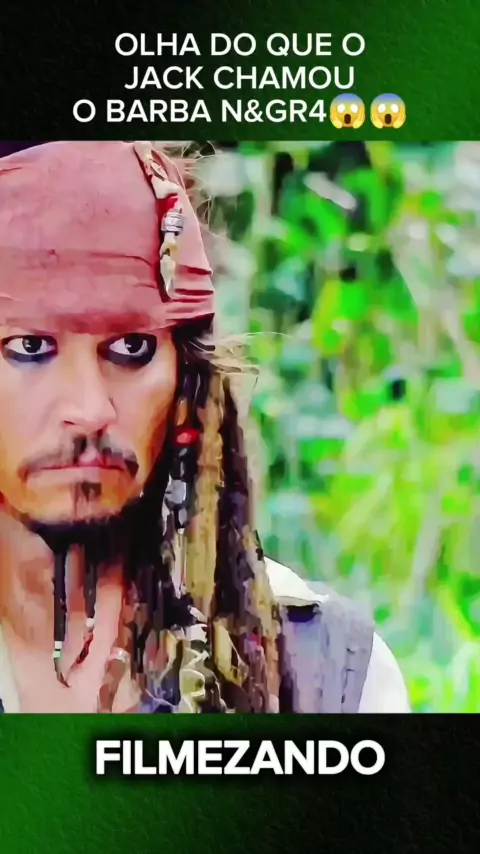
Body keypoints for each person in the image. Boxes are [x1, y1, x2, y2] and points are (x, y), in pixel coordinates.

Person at [0, 140, 410, 714]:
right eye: (29, 347)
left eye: (131, 348)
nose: (90, 408)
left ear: (186, 380)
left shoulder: (325, 675)